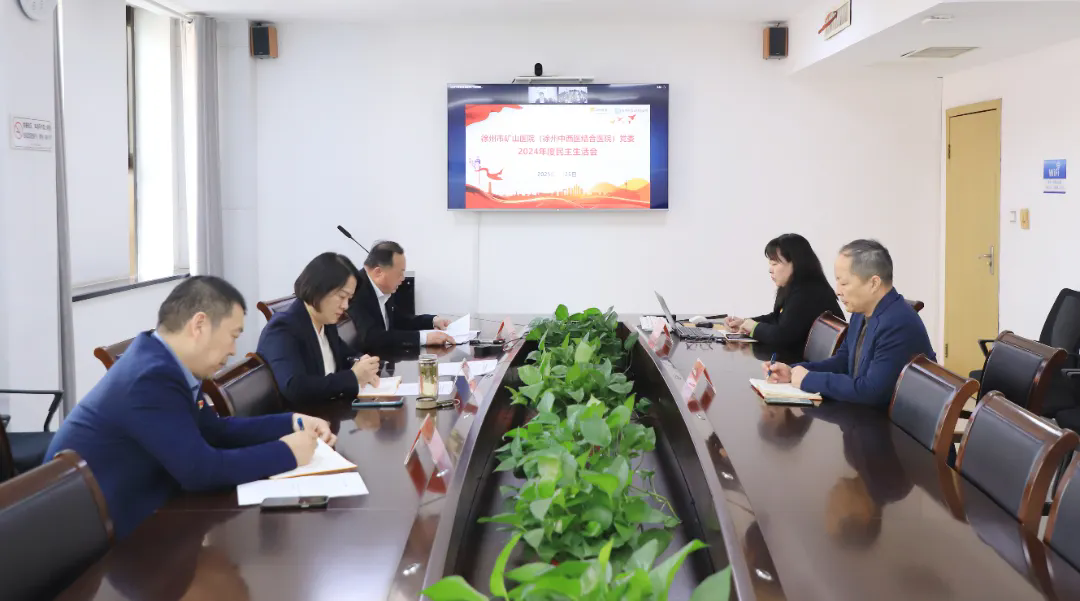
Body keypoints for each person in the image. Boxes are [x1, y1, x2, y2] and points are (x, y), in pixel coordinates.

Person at [44, 276, 336, 539]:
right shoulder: (150, 377)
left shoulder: (164, 361)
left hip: (148, 509)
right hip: (104, 540)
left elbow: (215, 430)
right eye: (233, 335)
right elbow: (200, 471)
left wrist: (291, 421)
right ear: (199, 325)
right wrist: (286, 453)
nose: (233, 350)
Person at [763, 239, 935, 406]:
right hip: (863, 413)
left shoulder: (897, 323)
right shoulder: (861, 312)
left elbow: (872, 391)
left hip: (886, 421)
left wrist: (808, 379)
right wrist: (793, 370)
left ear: (874, 283)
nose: (838, 291)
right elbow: (843, 361)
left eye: (844, 283)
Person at [257, 252, 381, 405]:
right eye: (342, 296)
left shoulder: (326, 322)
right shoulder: (283, 328)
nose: (345, 306)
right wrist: (353, 377)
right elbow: (295, 387)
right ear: (319, 289)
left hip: (329, 410)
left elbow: (346, 355)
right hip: (305, 416)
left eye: (349, 299)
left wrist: (363, 363)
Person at [726, 234, 844, 353]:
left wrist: (754, 327)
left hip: (810, 362)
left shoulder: (808, 293)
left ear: (796, 264)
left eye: (774, 264)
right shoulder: (793, 286)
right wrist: (744, 323)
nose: (770, 270)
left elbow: (782, 336)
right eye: (770, 264)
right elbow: (777, 317)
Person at [347, 241, 454, 350]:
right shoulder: (355, 290)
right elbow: (371, 337)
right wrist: (423, 338)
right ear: (378, 272)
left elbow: (400, 321)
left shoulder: (384, 288)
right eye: (399, 273)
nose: (402, 278)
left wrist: (432, 321)